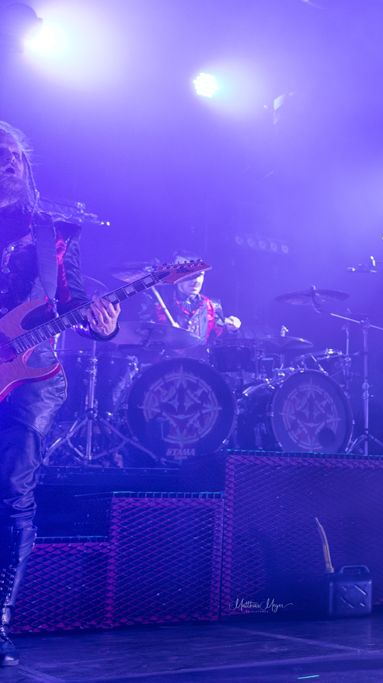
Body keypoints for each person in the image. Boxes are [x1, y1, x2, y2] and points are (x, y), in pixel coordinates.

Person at [0, 122, 120, 665]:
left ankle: (0, 619)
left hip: (31, 375)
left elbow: (72, 300)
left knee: (11, 490)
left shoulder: (53, 230)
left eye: (14, 155)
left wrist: (103, 325)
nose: (7, 162)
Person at [145, 251, 240, 345]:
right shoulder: (160, 302)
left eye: (200, 275)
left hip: (199, 355)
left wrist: (232, 330)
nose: (196, 281)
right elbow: (143, 335)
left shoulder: (211, 306)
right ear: (176, 276)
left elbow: (219, 342)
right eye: (190, 275)